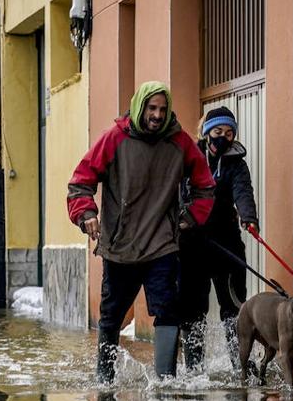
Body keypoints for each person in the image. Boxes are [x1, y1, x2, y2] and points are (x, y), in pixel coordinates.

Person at [68, 81, 216, 381]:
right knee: (111, 317)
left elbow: (205, 186)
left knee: (168, 311)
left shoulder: (180, 142)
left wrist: (189, 218)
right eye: (152, 108)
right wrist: (86, 214)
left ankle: (166, 381)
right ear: (139, 107)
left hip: (162, 245)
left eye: (163, 109)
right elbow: (80, 182)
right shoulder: (114, 138)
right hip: (120, 246)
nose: (158, 115)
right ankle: (105, 379)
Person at [177, 106, 259, 371]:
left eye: (229, 132)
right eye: (217, 131)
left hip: (227, 245)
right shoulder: (189, 158)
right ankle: (194, 367)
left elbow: (243, 191)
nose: (223, 137)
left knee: (234, 307)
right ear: (206, 133)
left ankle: (240, 364)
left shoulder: (237, 164)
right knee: (193, 308)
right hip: (192, 244)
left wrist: (249, 217)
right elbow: (178, 192)